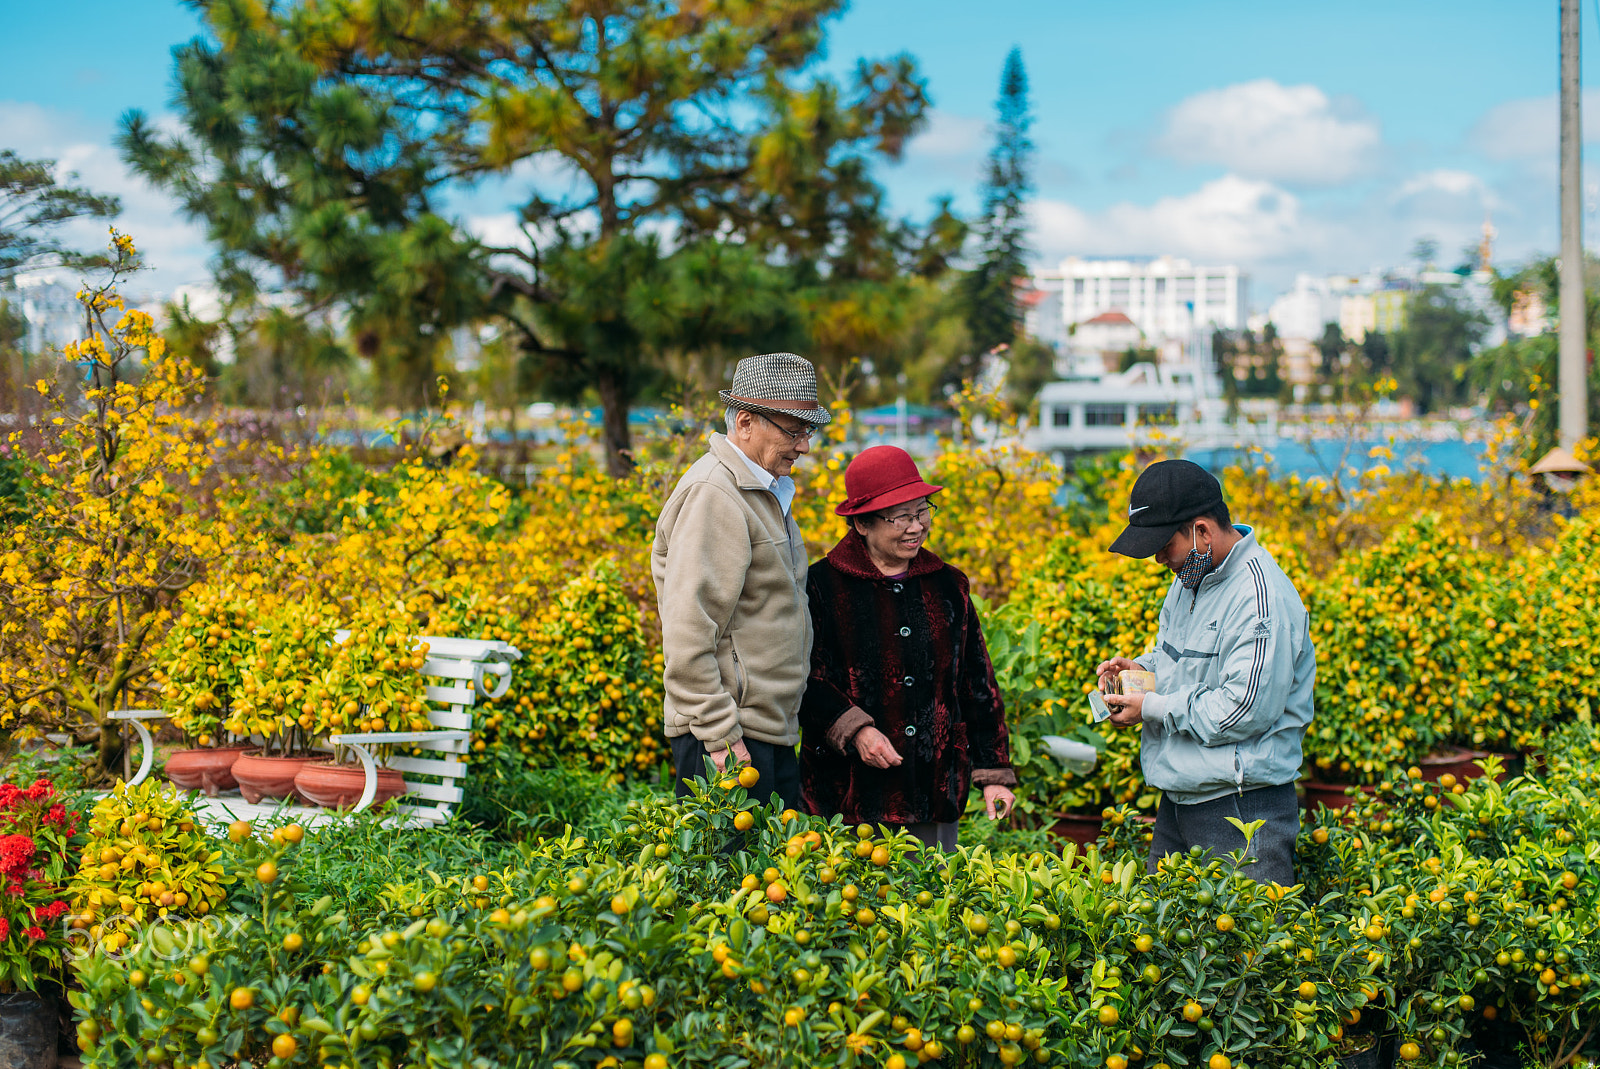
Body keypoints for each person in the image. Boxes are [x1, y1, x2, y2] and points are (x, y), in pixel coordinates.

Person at [1095, 459, 1314, 886]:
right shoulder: (1192, 578)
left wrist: (1151, 707)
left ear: (1202, 531)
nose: (1159, 558)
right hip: (1181, 797)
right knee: (1162, 936)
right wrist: (1140, 670)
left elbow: (1242, 710)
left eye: (1164, 545)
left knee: (1250, 948)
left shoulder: (1258, 598)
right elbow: (1173, 656)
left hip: (1241, 809)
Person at [799, 445, 1016, 851]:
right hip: (848, 797)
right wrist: (855, 728)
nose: (916, 526)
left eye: (923, 511)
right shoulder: (822, 587)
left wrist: (994, 772)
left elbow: (977, 682)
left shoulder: (949, 585)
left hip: (931, 789)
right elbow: (802, 677)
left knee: (930, 904)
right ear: (861, 523)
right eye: (900, 517)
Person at [652, 352, 830, 811]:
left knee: (772, 876)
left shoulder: (762, 490)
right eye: (793, 430)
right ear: (746, 422)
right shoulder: (716, 494)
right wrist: (718, 734)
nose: (804, 445)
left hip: (763, 728)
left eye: (808, 430)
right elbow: (689, 629)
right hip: (729, 738)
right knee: (729, 879)